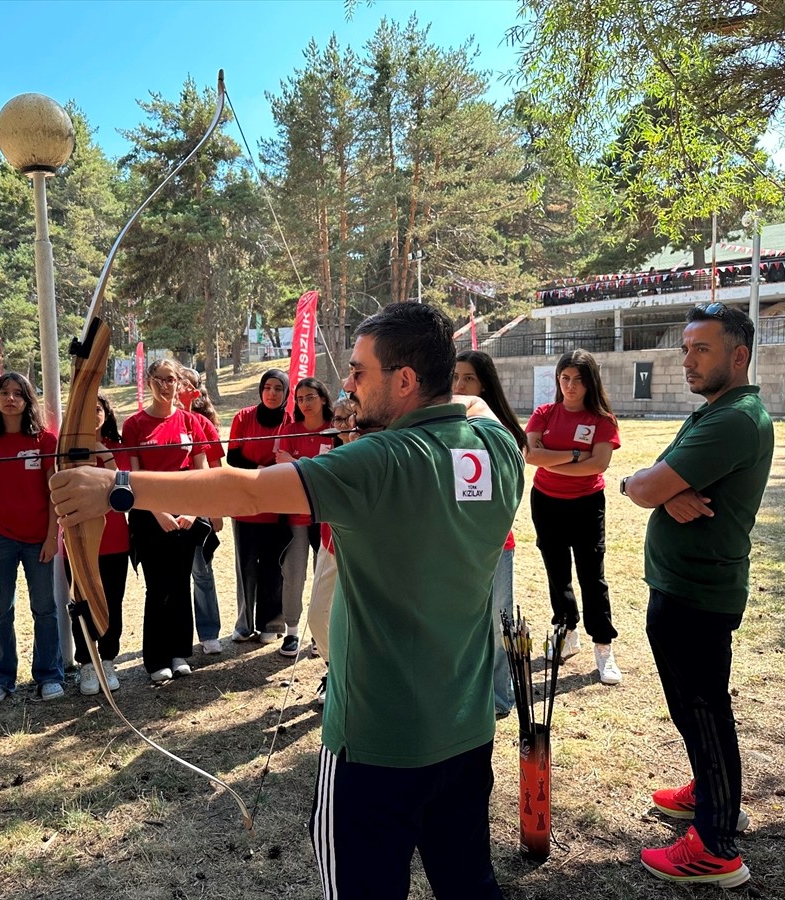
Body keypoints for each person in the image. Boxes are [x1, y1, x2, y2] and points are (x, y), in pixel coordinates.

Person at [50, 303, 523, 900]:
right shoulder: (496, 445)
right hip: (465, 727)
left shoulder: (378, 461)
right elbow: (474, 407)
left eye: (360, 372)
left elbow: (245, 490)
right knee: (469, 885)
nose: (347, 385)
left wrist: (119, 487)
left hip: (376, 743)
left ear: (405, 380)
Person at [622, 304, 772, 889]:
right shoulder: (717, 411)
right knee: (693, 709)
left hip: (697, 594)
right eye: (684, 348)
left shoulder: (733, 419)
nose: (687, 360)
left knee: (705, 711)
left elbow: (648, 484)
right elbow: (652, 481)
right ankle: (710, 791)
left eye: (701, 349)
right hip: (683, 587)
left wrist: (653, 488)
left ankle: (715, 846)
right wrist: (656, 487)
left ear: (739, 355)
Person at [525, 348, 623, 685]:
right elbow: (530, 456)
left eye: (578, 380)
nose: (570, 386)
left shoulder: (602, 420)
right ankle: (566, 631)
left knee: (592, 576)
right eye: (565, 378)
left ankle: (603, 646)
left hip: (586, 504)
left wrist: (553, 458)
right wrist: (575, 454)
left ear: (589, 383)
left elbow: (599, 465)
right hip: (546, 502)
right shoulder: (544, 413)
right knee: (557, 571)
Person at [0, 372, 65, 703]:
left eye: (18, 394)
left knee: (46, 608)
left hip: (39, 539)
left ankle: (49, 675)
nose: (10, 399)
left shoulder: (45, 442)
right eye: (4, 393)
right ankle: (0, 677)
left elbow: (55, 493)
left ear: (28, 400)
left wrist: (53, 536)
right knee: (0, 610)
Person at [122, 359, 209, 683]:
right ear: (148, 381)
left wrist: (192, 512)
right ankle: (156, 658)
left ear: (178, 383)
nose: (165, 385)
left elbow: (202, 471)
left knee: (181, 583)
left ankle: (179, 652)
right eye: (159, 379)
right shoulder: (135, 424)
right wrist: (158, 512)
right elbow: (131, 476)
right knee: (158, 587)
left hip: (186, 518)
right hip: (150, 518)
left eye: (171, 379)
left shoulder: (192, 421)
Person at [454, 350, 527, 719]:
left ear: (484, 383)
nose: (459, 386)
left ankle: (500, 696)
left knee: (500, 626)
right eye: (454, 378)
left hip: (496, 545)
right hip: (455, 544)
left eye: (467, 378)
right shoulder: (447, 428)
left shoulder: (503, 433)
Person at [226, 368, 292, 644]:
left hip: (278, 507)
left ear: (286, 392)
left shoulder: (291, 420)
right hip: (245, 505)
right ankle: (244, 624)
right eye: (267, 387)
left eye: (278, 388)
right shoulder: (243, 417)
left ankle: (271, 623)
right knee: (246, 568)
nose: (272, 393)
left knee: (273, 568)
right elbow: (232, 458)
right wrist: (262, 470)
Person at [274, 376, 335, 657]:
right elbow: (282, 467)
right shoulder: (289, 429)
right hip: (295, 516)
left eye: (310, 397)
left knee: (323, 576)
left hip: (327, 516)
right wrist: (314, 467)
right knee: (293, 573)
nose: (304, 403)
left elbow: (336, 470)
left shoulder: (335, 430)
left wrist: (300, 466)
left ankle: (319, 633)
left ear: (323, 398)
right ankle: (292, 632)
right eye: (299, 399)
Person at [73, 394, 128, 696]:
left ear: (106, 414)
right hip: (78, 539)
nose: (93, 414)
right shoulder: (66, 449)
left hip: (115, 538)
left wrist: (103, 453)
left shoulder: (117, 446)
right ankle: (86, 663)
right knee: (81, 602)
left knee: (112, 601)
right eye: (87, 409)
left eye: (98, 409)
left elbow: (124, 487)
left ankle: (107, 659)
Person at [305, 396, 358, 701]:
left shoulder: (372, 446)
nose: (338, 424)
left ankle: (350, 677)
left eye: (345, 417)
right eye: (335, 418)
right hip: (331, 543)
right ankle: (334, 667)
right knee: (318, 614)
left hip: (364, 548)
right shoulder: (332, 449)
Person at [177, 368, 226, 655]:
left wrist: (215, 510)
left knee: (202, 573)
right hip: (166, 511)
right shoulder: (158, 422)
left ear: (196, 391)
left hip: (200, 513)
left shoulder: (202, 424)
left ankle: (209, 633)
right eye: (174, 380)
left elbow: (216, 469)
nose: (179, 386)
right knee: (173, 578)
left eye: (186, 383)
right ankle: (176, 641)